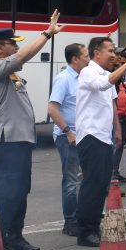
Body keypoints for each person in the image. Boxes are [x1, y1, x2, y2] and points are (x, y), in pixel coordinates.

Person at [0, 13, 63, 250]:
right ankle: (2, 241)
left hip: (20, 140)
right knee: (8, 192)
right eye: (12, 43)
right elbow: (23, 55)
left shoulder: (11, 74)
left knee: (20, 191)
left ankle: (15, 235)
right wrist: (47, 34)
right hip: (7, 140)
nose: (16, 46)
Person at [74, 37, 126, 247]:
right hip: (90, 135)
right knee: (92, 184)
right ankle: (85, 231)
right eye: (110, 51)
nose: (114, 55)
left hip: (103, 136)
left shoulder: (107, 74)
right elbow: (102, 86)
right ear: (96, 53)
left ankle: (93, 226)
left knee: (101, 185)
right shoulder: (88, 71)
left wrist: (117, 130)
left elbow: (111, 104)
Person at [48, 43, 88, 237]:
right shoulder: (64, 79)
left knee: (84, 178)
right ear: (75, 59)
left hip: (85, 136)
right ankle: (70, 220)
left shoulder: (84, 77)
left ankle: (82, 215)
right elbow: (52, 109)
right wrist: (68, 131)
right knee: (71, 180)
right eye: (86, 56)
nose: (88, 60)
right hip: (68, 137)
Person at [112, 46, 126, 183]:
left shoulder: (125, 74)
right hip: (116, 115)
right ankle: (111, 175)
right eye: (118, 55)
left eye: (122, 56)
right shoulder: (109, 73)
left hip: (125, 113)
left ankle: (114, 171)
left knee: (120, 144)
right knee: (115, 144)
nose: (120, 58)